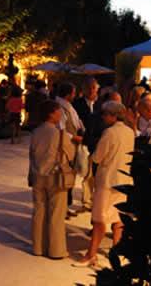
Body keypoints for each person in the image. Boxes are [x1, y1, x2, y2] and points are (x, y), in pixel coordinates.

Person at [74, 102, 134, 267]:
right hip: (124, 180)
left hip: (108, 181)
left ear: (114, 116)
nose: (103, 117)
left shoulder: (109, 133)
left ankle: (91, 254)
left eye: (106, 114)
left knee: (99, 219)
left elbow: (98, 157)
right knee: (118, 219)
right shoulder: (130, 132)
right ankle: (117, 253)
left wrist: (91, 157)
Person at [28, 100, 77, 259]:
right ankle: (56, 250)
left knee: (39, 211)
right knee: (56, 214)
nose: (61, 114)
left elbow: (32, 154)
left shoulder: (36, 132)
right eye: (58, 111)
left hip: (38, 175)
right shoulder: (58, 134)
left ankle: (38, 247)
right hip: (55, 176)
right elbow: (70, 154)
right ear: (51, 113)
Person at [55, 82, 85, 217]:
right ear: (68, 95)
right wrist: (74, 137)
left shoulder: (68, 106)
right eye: (73, 93)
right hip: (66, 148)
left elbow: (77, 122)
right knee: (64, 178)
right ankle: (62, 208)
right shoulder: (60, 108)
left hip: (72, 146)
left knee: (69, 178)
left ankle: (66, 206)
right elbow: (61, 130)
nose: (75, 95)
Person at [73, 77, 100, 213]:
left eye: (93, 87)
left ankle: (93, 200)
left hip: (97, 143)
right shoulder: (77, 104)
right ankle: (87, 202)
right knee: (86, 173)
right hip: (83, 142)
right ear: (83, 90)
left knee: (96, 174)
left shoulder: (101, 104)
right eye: (88, 88)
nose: (91, 90)